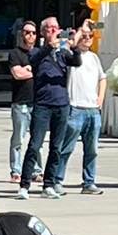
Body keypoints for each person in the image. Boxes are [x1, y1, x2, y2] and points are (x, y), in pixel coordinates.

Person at [18, 15, 86, 199]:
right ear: (44, 31)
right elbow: (35, 59)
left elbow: (76, 62)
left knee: (56, 147)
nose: (55, 30)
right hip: (42, 105)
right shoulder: (36, 52)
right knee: (35, 145)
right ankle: (24, 184)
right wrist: (51, 45)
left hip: (61, 104)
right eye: (50, 28)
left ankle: (49, 184)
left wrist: (74, 47)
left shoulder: (62, 54)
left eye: (57, 27)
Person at [59, 31, 106, 194]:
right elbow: (65, 47)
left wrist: (100, 98)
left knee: (92, 150)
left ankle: (89, 182)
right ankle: (57, 180)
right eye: (84, 36)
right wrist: (77, 35)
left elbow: (102, 78)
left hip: (92, 110)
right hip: (75, 107)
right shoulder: (71, 56)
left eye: (90, 36)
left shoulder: (94, 58)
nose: (87, 39)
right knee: (66, 148)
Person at [6, 21, 37, 184]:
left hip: (37, 102)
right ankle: (16, 171)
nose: (30, 35)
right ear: (21, 34)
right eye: (27, 32)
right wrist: (34, 70)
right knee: (18, 138)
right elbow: (17, 74)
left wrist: (29, 69)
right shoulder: (15, 54)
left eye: (33, 32)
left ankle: (36, 170)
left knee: (36, 139)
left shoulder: (38, 53)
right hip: (20, 103)